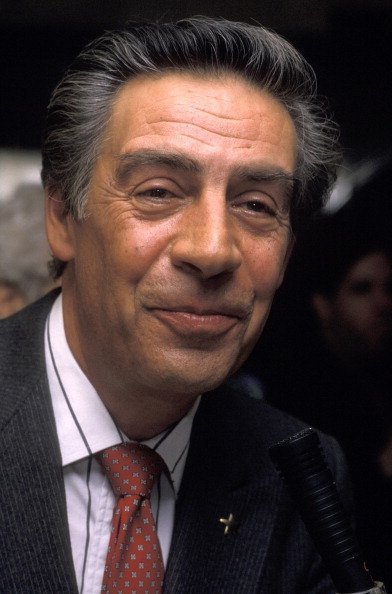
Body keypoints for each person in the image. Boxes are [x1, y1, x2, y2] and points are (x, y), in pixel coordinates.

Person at [0, 17, 350, 594]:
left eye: (257, 205)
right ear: (63, 218)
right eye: (158, 192)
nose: (212, 250)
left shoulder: (300, 477)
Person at [251, 214, 392, 589]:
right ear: (323, 304)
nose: (382, 304)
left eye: (388, 288)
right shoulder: (300, 398)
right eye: (361, 289)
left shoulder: (373, 382)